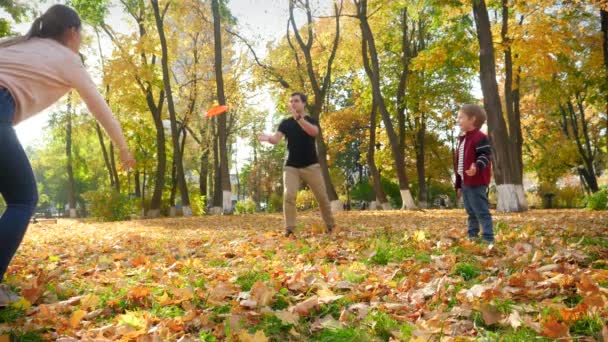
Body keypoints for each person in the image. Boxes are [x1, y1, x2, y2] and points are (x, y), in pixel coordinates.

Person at [0, 4, 135, 307]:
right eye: (82, 34)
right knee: (22, 199)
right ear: (72, 32)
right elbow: (101, 107)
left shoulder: (15, 43)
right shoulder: (68, 59)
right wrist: (124, 148)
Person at [258, 92, 335, 237]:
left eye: (296, 101)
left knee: (322, 197)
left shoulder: (311, 120)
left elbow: (313, 132)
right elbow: (276, 139)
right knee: (289, 195)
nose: (293, 103)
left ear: (303, 103)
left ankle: (330, 225)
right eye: (291, 101)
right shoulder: (286, 123)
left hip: (311, 165)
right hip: (291, 166)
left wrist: (299, 119)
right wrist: (266, 138)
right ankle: (290, 229)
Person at [454, 104, 494, 245]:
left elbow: (485, 155)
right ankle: (472, 236)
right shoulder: (462, 139)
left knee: (481, 211)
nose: (458, 120)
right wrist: (459, 185)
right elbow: (459, 164)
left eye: (461, 117)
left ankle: (488, 238)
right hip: (466, 182)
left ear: (472, 119)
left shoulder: (480, 137)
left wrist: (476, 166)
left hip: (476, 182)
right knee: (470, 211)